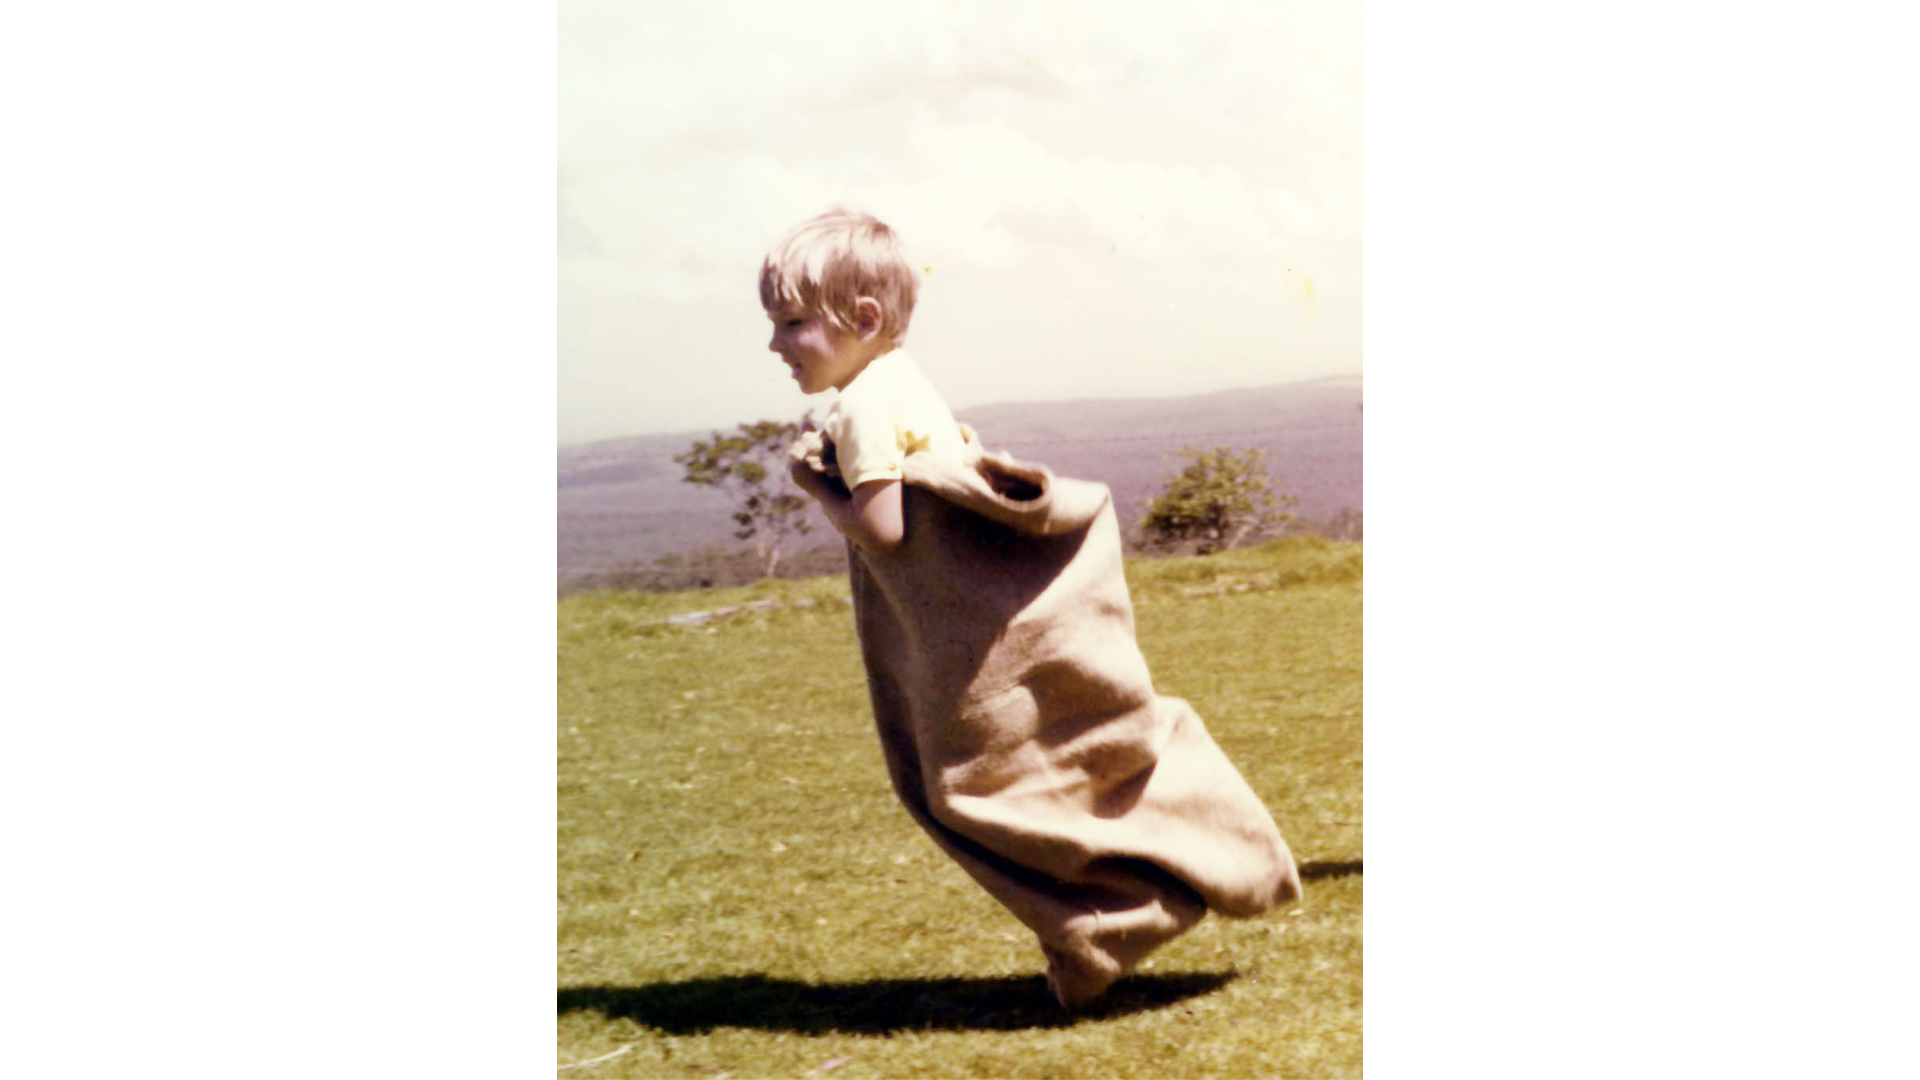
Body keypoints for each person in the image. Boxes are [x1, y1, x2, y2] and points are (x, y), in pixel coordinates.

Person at [762, 208, 1300, 1010]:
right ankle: (1155, 893)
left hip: (959, 645)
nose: (775, 344)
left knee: (973, 793)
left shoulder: (863, 408)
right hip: (996, 624)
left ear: (864, 320)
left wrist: (816, 486)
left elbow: (886, 530)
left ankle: (1118, 919)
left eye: (791, 323)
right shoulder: (902, 379)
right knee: (1055, 766)